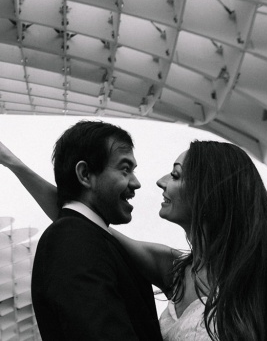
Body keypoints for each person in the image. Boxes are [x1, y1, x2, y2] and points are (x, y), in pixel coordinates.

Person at [0, 134, 267, 341]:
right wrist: (13, 163)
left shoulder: (259, 286)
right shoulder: (177, 269)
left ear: (209, 191)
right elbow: (82, 221)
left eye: (175, 175)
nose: (160, 182)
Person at [26, 120, 164, 341]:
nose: (136, 183)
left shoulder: (90, 237)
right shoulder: (71, 238)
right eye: (125, 169)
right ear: (85, 174)